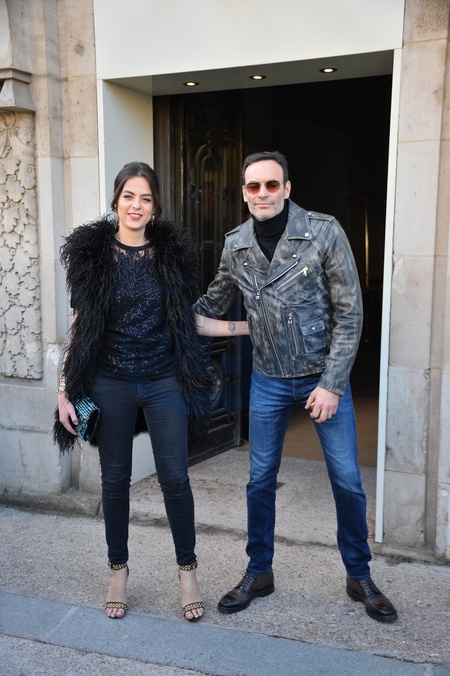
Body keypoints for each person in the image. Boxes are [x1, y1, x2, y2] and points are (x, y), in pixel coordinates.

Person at [194, 150, 398, 623]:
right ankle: (259, 572)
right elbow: (211, 304)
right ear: (244, 193)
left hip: (321, 379)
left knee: (347, 481)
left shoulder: (323, 231)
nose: (262, 193)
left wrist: (332, 384)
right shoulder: (236, 245)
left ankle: (359, 575)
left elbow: (350, 313)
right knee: (260, 481)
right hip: (268, 380)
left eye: (272, 184)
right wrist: (155, 309)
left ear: (287, 188)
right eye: (253, 186)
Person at [53, 161, 248, 621]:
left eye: (145, 198)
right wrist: (64, 390)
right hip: (110, 382)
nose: (136, 205)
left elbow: (189, 321)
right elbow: (80, 326)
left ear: (155, 205)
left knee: (175, 479)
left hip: (164, 381)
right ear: (116, 200)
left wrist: (246, 326)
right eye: (128, 196)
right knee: (114, 480)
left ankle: (188, 572)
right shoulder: (93, 256)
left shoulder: (170, 257)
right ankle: (117, 571)